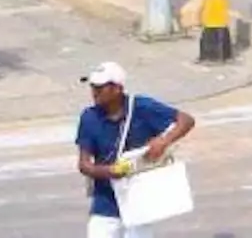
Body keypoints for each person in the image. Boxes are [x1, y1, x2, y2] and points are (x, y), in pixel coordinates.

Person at [74, 60, 196, 238]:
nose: (94, 92)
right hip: (105, 201)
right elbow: (84, 165)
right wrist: (109, 171)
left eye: (100, 87)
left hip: (139, 198)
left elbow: (186, 120)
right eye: (93, 87)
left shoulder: (142, 107)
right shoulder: (89, 117)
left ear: (117, 88)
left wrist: (163, 141)